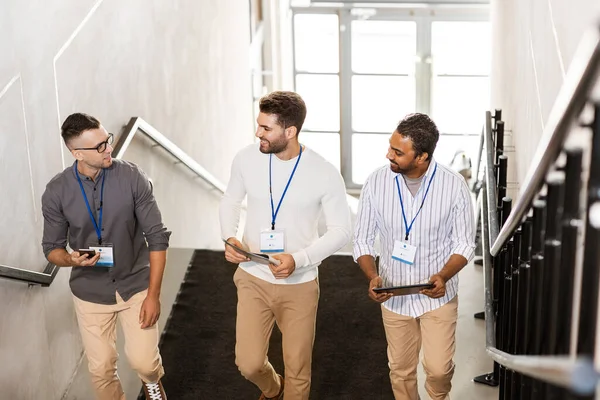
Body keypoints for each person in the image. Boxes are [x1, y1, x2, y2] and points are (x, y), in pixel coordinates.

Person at [219, 91, 351, 400]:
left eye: (266, 129)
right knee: (248, 364)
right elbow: (230, 200)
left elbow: (342, 230)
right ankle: (273, 388)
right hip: (252, 276)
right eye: (258, 125)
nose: (258, 133)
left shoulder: (324, 172)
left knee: (298, 371)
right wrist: (230, 236)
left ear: (289, 132)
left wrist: (300, 259)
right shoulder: (246, 158)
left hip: (300, 285)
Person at [41, 113, 171, 400]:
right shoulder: (56, 191)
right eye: (99, 146)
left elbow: (157, 237)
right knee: (100, 369)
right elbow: (51, 248)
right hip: (89, 292)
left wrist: (153, 295)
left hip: (135, 285)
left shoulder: (132, 177)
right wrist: (70, 259)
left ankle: (152, 384)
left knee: (145, 363)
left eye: (107, 140)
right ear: (77, 153)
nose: (108, 148)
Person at [353, 113, 475, 400]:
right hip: (393, 292)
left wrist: (444, 276)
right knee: (400, 369)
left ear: (422, 157)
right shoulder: (376, 182)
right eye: (390, 147)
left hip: (438, 294)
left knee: (438, 369)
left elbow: (465, 244)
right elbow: (362, 239)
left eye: (398, 152)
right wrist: (373, 277)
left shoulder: (454, 185)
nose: (389, 155)